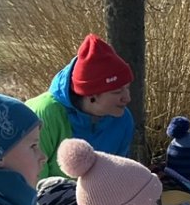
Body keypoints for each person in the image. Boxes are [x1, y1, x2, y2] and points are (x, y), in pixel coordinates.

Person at [27, 33, 135, 179]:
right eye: (117, 92)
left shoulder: (123, 119)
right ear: (91, 95)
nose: (127, 98)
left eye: (127, 88)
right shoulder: (44, 115)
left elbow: (117, 176)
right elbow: (32, 181)